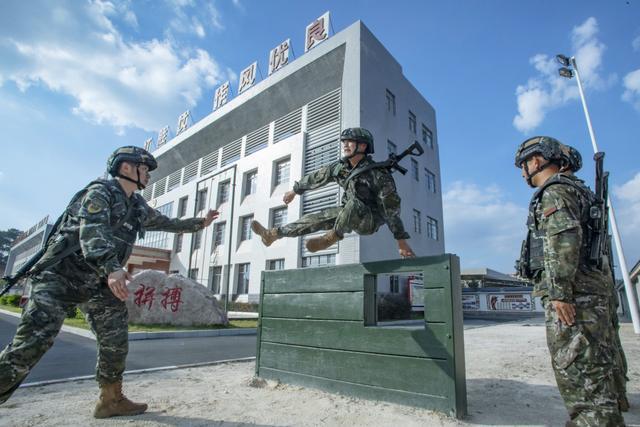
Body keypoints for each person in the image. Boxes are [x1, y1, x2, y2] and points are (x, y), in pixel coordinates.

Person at [0, 146, 218, 418]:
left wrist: (201, 222)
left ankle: (111, 399)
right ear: (126, 168)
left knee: (116, 337)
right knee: (31, 345)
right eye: (144, 169)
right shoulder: (99, 193)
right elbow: (92, 231)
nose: (148, 175)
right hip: (60, 278)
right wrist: (113, 268)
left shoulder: (136, 206)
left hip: (97, 281)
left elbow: (166, 222)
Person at [514, 136, 625, 426]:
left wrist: (560, 294)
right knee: (597, 367)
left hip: (574, 298)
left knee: (578, 370)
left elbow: (564, 240)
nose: (523, 173)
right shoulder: (581, 192)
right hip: (593, 293)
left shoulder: (555, 192)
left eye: (523, 165)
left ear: (536, 161)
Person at [251, 127, 415, 258]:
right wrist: (295, 190)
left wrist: (401, 241)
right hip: (347, 213)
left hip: (369, 221)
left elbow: (391, 210)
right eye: (344, 141)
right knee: (315, 218)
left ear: (363, 146)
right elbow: (317, 177)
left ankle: (331, 237)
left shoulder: (378, 175)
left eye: (350, 141)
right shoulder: (341, 168)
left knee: (355, 203)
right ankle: (272, 234)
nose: (345, 145)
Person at [559, 143, 629, 412]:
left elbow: (564, 244)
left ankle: (596, 414)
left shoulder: (563, 192)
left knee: (583, 358)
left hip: (582, 287)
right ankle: (617, 397)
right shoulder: (587, 194)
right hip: (599, 282)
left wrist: (559, 292)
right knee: (606, 345)